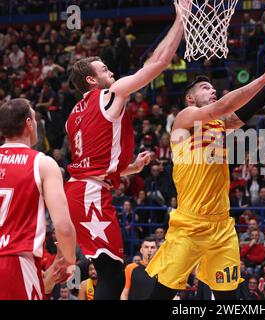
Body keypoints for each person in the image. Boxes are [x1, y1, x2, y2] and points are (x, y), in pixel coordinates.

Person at [146, 28, 265, 300]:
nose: (213, 89)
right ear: (191, 98)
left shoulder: (220, 124)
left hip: (221, 226)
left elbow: (254, 104)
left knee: (229, 298)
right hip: (189, 225)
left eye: (213, 87)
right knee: (162, 294)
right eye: (206, 87)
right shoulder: (186, 117)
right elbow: (219, 108)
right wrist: (263, 76)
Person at [64, 1, 190, 300]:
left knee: (111, 273)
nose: (111, 72)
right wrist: (181, 20)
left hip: (82, 190)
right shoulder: (109, 95)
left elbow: (92, 158)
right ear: (92, 80)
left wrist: (130, 167)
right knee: (112, 275)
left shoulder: (73, 114)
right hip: (89, 193)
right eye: (104, 69)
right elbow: (157, 64)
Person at [0, 99, 76, 300]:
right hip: (13, 260)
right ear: (29, 123)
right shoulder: (42, 163)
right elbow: (63, 226)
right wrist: (69, 260)